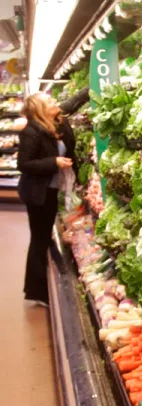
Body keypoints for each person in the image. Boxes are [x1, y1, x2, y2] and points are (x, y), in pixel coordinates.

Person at [17, 93, 76, 306]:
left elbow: (72, 102)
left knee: (42, 237)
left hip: (49, 191)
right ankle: (37, 291)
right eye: (50, 101)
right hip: (37, 194)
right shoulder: (31, 132)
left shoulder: (53, 124)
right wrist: (54, 162)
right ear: (41, 109)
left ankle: (37, 289)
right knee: (40, 239)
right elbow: (24, 164)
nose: (55, 102)